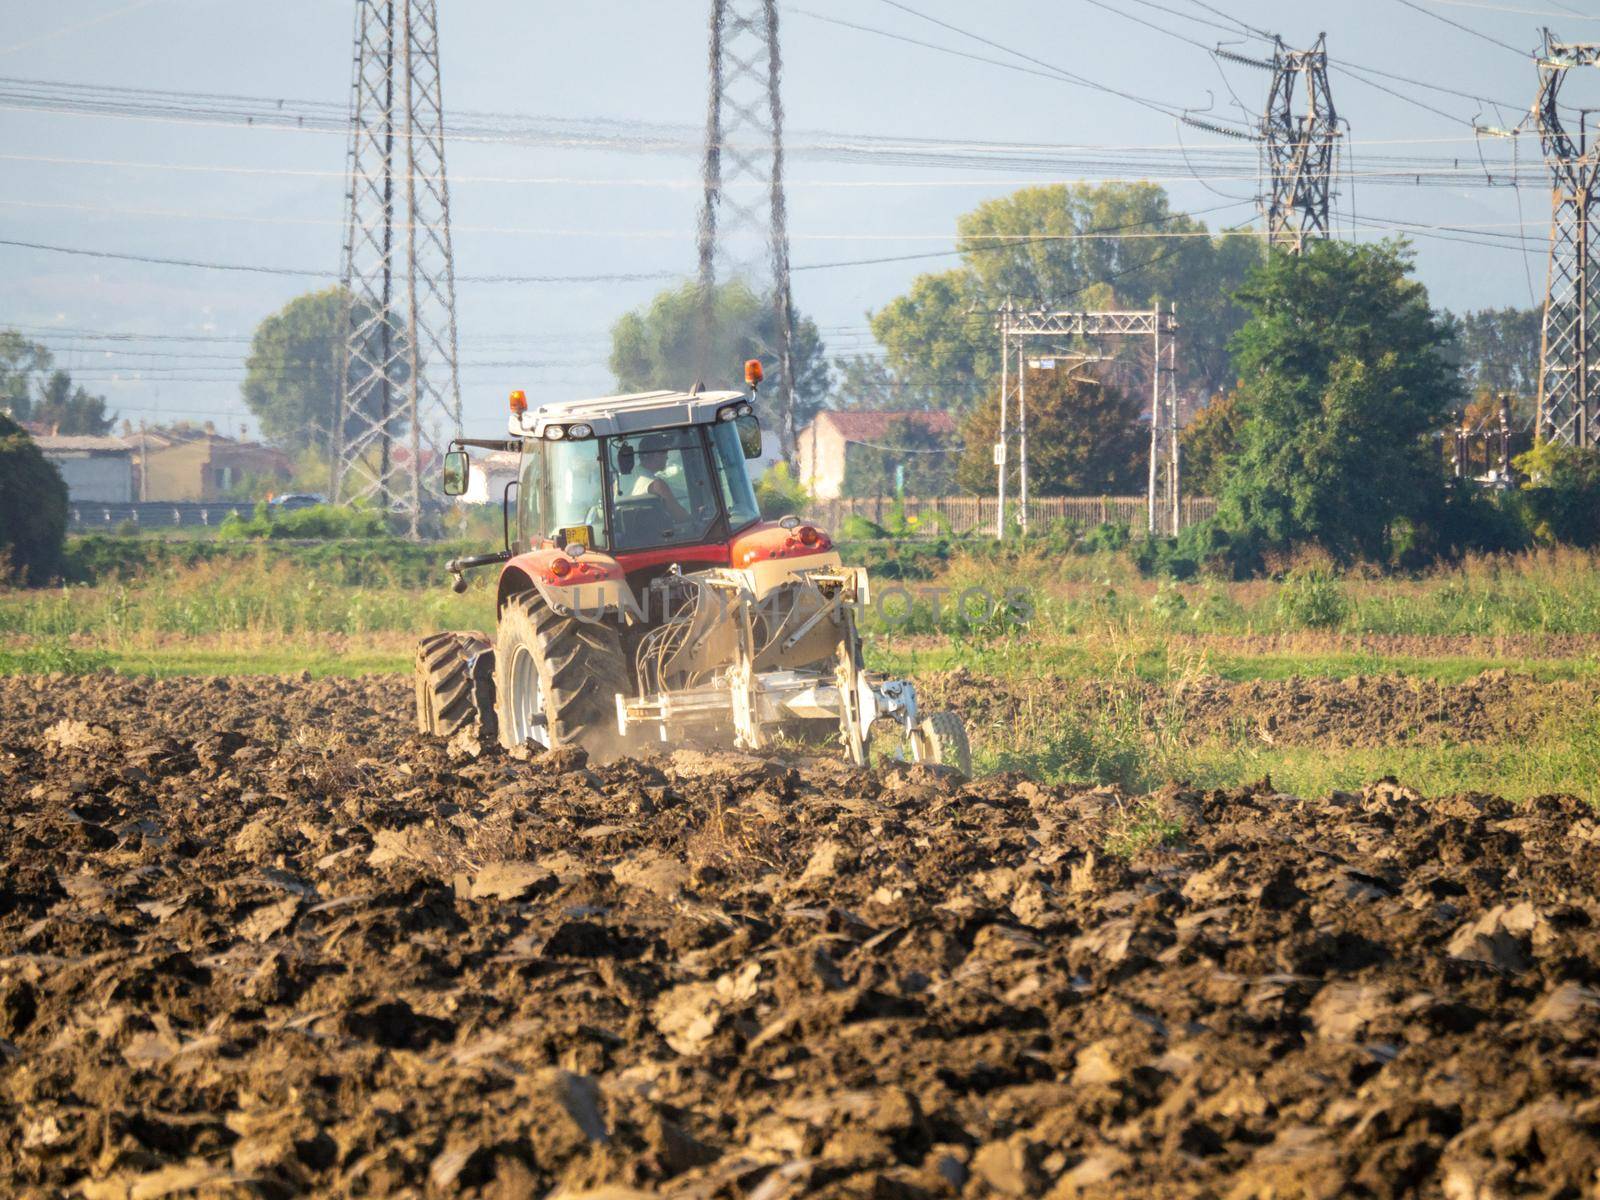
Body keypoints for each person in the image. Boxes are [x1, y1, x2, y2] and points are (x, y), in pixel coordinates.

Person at [629, 434, 691, 525]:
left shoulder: (624, 478)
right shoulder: (657, 485)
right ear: (653, 454)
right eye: (664, 451)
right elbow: (681, 516)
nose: (667, 457)